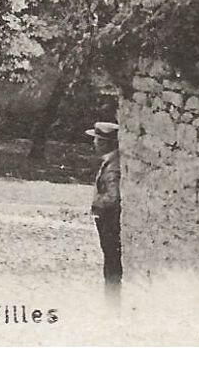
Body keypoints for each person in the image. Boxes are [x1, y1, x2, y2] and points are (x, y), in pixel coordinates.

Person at [87, 120, 121, 291]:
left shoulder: (113, 166)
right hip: (107, 219)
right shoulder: (111, 161)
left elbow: (114, 197)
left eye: (97, 140)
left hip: (109, 220)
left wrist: (97, 204)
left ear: (104, 143)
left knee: (112, 261)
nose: (94, 143)